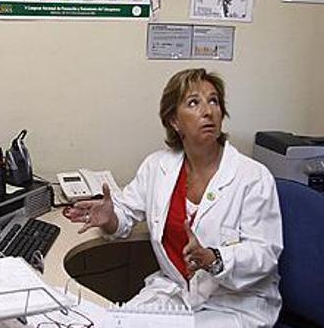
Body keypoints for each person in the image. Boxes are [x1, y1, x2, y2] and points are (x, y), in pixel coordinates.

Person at [64, 68, 282, 327]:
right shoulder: (158, 167)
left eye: (214, 101)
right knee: (114, 324)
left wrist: (213, 258)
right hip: (176, 292)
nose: (208, 111)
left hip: (234, 302)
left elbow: (265, 254)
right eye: (194, 103)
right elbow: (125, 216)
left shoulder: (253, 177)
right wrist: (110, 217)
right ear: (174, 121)